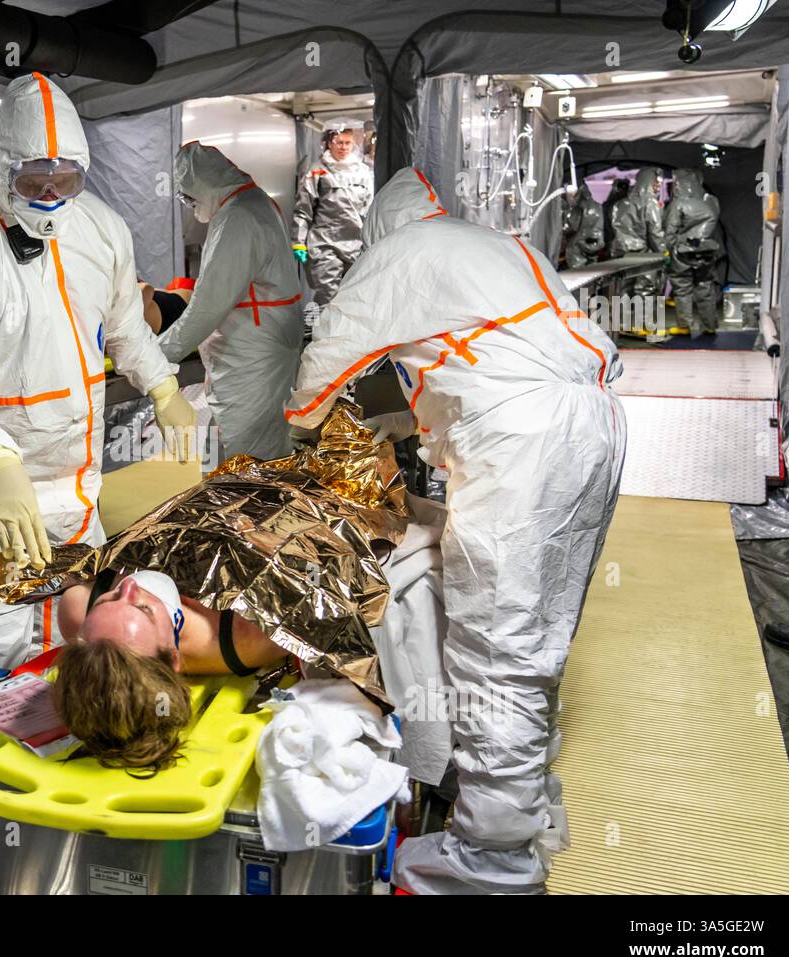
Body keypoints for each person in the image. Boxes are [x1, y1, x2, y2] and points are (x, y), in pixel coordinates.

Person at [285, 166, 627, 894]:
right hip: (590, 424)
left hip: (522, 444)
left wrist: (307, 435)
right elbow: (491, 362)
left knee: (495, 643)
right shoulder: (498, 245)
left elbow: (326, 356)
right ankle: (523, 796)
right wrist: (400, 422)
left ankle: (494, 858)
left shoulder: (397, 255)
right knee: (539, 624)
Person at [0, 73, 195, 694]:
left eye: (66, 179)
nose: (51, 193)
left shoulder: (100, 227)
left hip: (78, 485)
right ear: (2, 166)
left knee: (78, 630)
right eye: (36, 179)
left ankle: (64, 750)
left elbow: (123, 326)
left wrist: (164, 387)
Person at [54, 570, 291, 770]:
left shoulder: (77, 609)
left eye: (106, 600)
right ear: (174, 658)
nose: (128, 584)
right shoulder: (252, 633)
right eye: (144, 609)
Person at [156, 142, 303, 460]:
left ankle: (248, 509)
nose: (190, 204)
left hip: (250, 358)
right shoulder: (256, 202)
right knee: (264, 447)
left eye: (189, 196)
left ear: (204, 185)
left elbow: (207, 307)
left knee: (245, 456)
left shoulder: (238, 217)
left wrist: (155, 357)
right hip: (262, 350)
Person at [292, 122, 374, 307]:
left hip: (355, 246)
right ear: (329, 143)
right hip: (325, 245)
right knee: (328, 298)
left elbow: (369, 210)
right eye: (339, 142)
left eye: (347, 143)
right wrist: (298, 242)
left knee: (351, 298)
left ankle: (342, 335)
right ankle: (317, 333)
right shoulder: (317, 171)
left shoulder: (362, 172)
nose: (343, 147)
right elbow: (303, 209)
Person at [664, 167, 723, 337]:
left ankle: (684, 326)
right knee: (705, 287)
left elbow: (670, 231)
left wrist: (667, 251)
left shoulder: (678, 203)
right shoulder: (711, 201)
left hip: (682, 253)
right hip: (706, 251)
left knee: (682, 289)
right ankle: (710, 325)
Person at [609, 166, 666, 304]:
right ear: (648, 182)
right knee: (645, 289)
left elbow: (615, 228)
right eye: (656, 183)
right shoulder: (650, 202)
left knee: (623, 288)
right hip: (643, 253)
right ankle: (644, 325)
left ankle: (621, 322)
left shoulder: (619, 204)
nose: (658, 186)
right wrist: (664, 253)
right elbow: (655, 232)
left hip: (621, 251)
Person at [562, 182, 604, 268]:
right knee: (592, 263)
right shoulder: (597, 205)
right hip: (596, 240)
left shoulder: (579, 207)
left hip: (581, 241)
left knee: (576, 261)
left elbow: (573, 225)